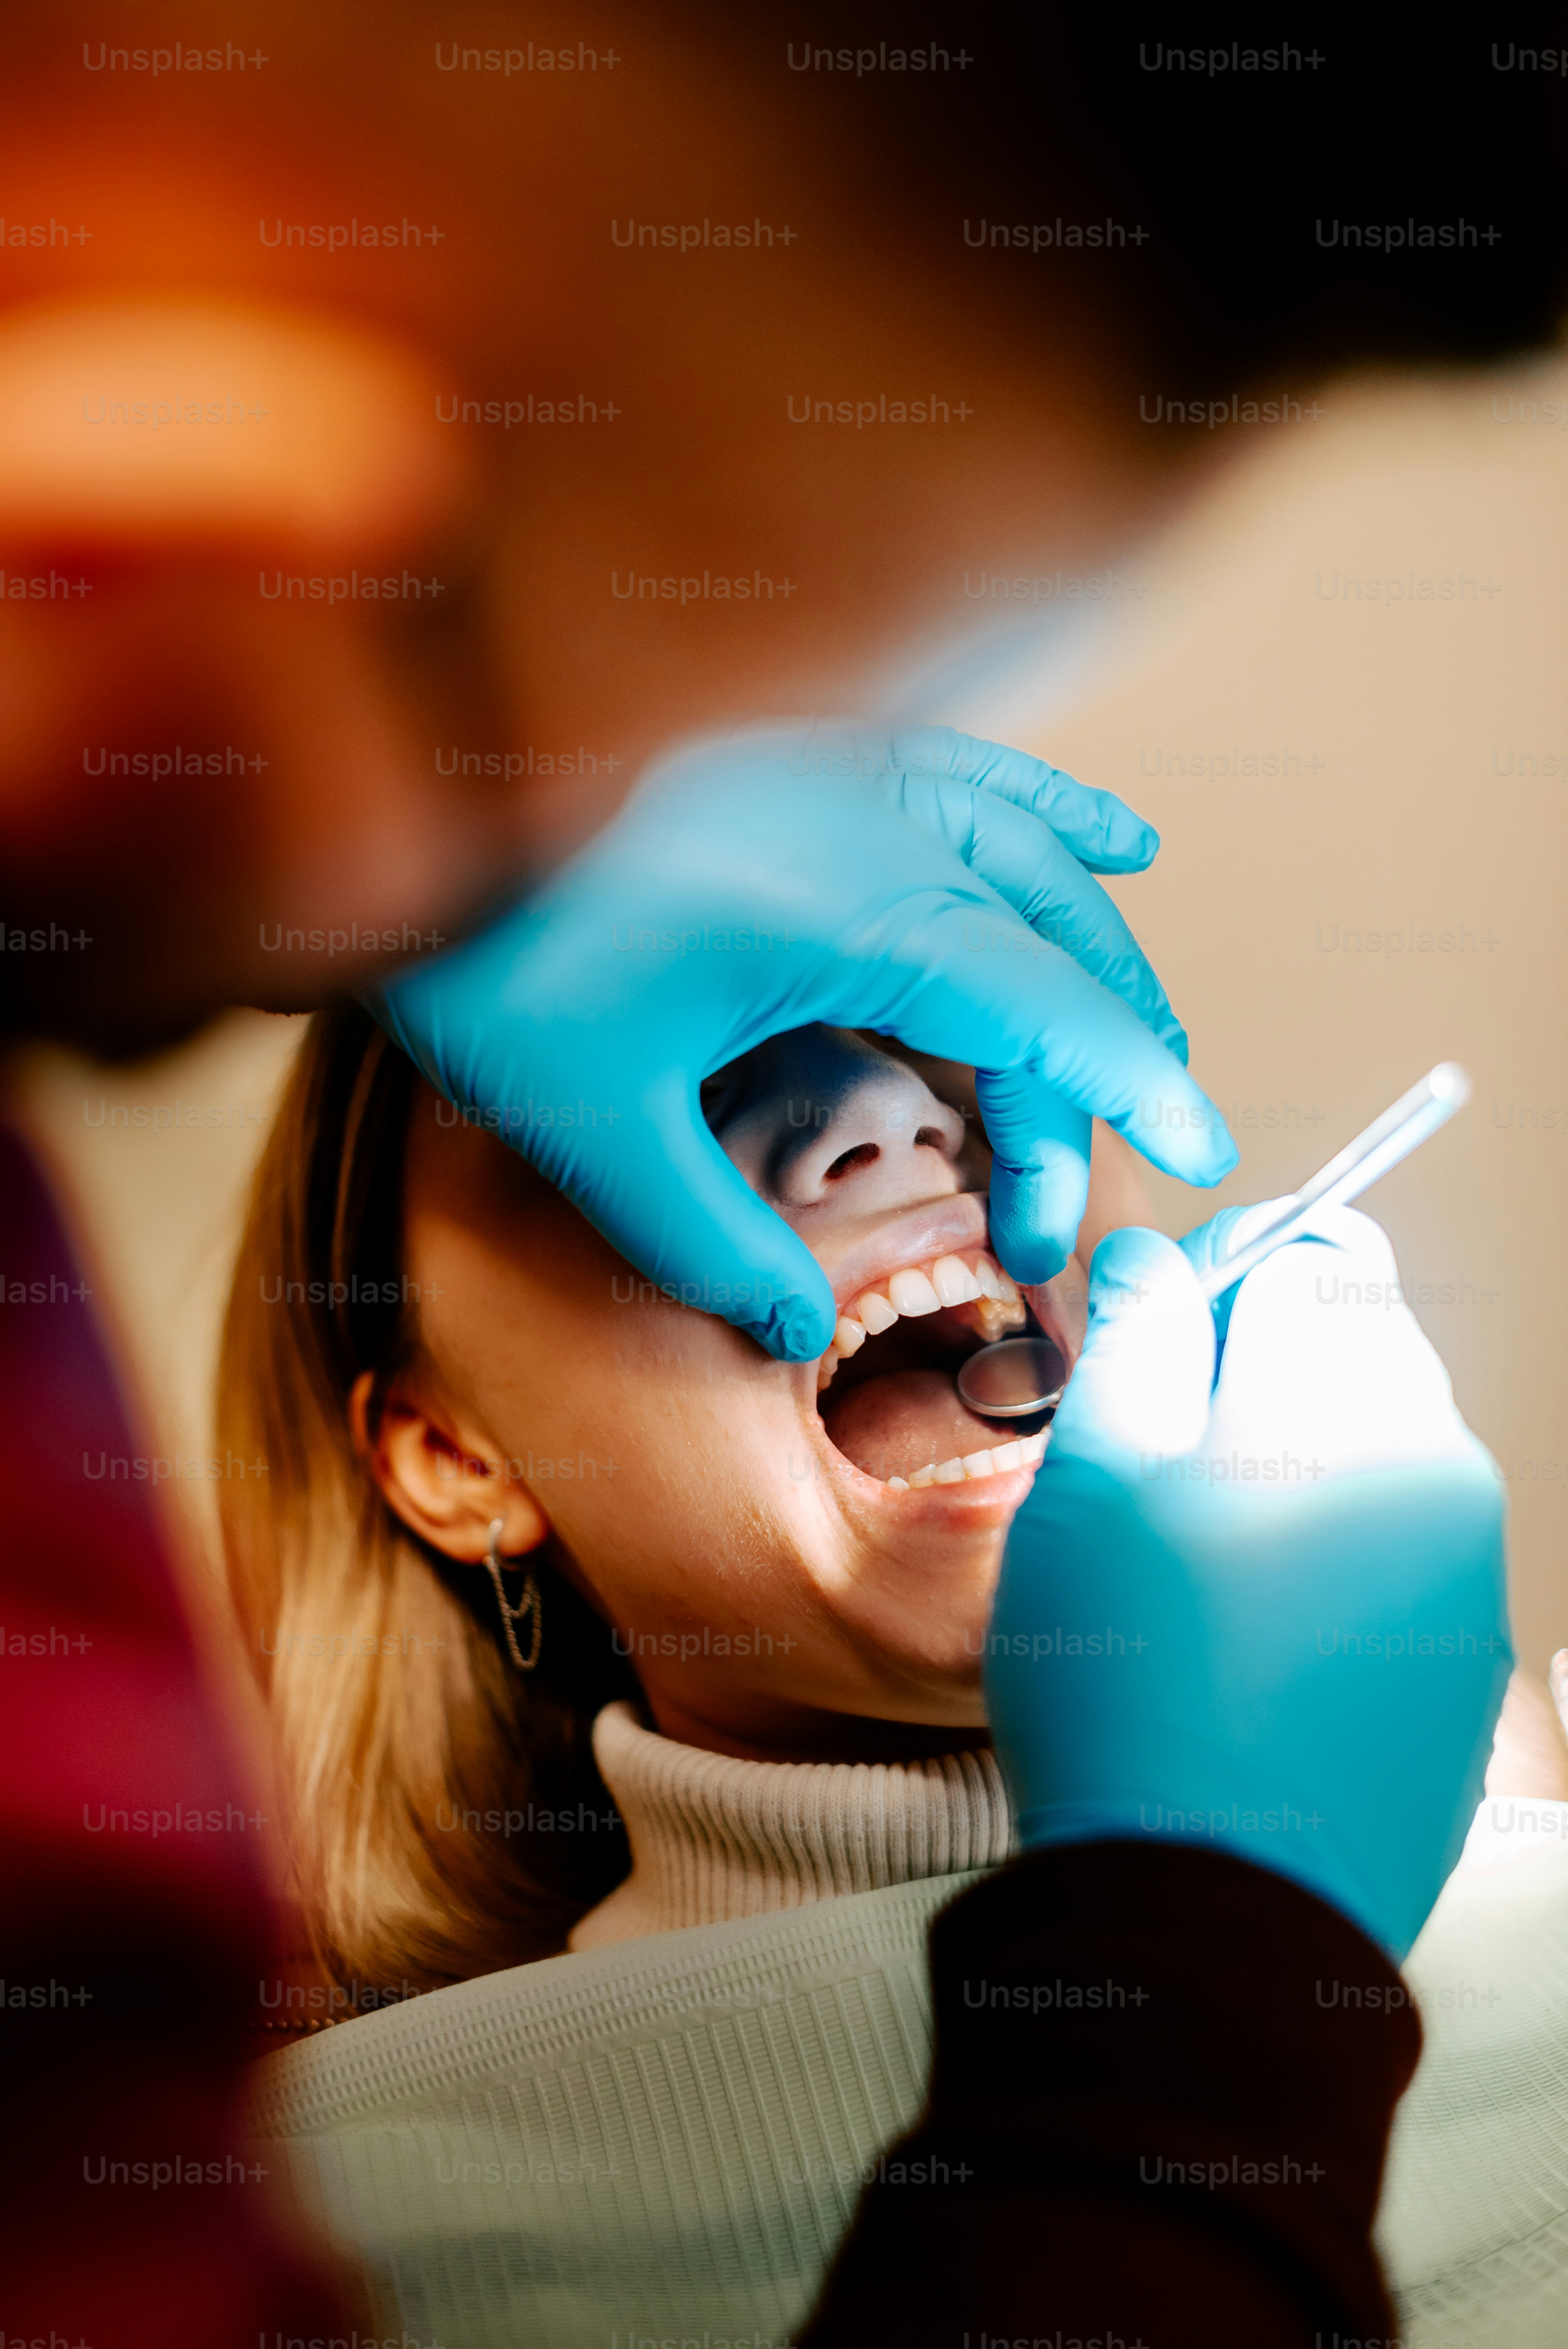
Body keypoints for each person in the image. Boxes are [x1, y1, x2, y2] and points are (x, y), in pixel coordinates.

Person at [0, 16, 1561, 2347]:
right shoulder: (305, 2198)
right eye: (518, 773)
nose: (894, 1130)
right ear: (447, 1460)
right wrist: (1218, 1950)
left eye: (940, 1075)